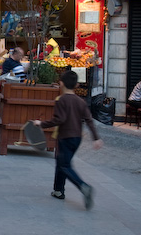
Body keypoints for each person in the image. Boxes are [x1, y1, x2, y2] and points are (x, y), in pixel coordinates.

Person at [33, 70, 103, 209]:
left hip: (64, 137)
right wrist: (96, 138)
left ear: (61, 83)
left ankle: (83, 186)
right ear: (76, 85)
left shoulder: (62, 99)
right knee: (62, 162)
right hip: (77, 138)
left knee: (64, 165)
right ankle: (59, 190)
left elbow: (59, 119)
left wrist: (41, 124)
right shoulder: (81, 101)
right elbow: (89, 120)